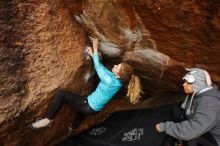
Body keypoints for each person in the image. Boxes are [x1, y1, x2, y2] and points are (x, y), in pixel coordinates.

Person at [30, 38, 142, 130]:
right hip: (95, 109)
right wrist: (93, 54)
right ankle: (73, 128)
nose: (116, 65)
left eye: (118, 67)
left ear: (118, 75)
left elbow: (98, 67)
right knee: (82, 112)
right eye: (118, 64)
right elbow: (103, 69)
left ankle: (47, 120)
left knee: (61, 94)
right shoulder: (117, 81)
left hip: (88, 106)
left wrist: (95, 47)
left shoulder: (109, 80)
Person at [155, 68, 220, 146]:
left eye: (187, 82)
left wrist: (166, 127)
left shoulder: (209, 104)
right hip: (205, 129)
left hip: (215, 139)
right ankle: (180, 141)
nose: (184, 84)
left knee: (190, 136)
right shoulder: (197, 94)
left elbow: (193, 130)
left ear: (198, 84)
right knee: (176, 112)